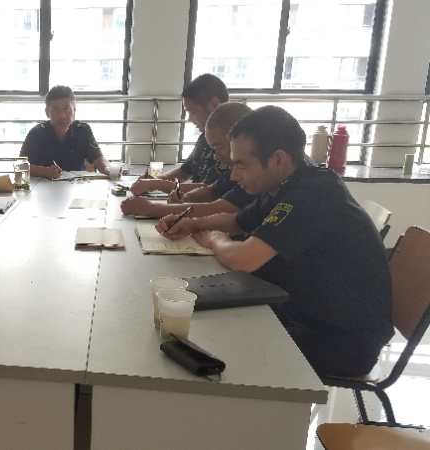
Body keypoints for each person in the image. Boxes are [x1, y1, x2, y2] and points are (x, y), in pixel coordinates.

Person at [159, 106, 393, 377]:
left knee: (213, 342)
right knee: (208, 325)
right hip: (306, 314)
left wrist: (214, 240)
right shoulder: (286, 184)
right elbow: (236, 221)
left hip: (341, 342)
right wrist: (193, 224)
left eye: (241, 165)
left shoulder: (312, 193)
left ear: (278, 159)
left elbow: (243, 259)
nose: (233, 176)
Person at [121, 102, 255, 218]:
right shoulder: (235, 170)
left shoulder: (252, 177)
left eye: (218, 147)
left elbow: (218, 208)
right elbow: (210, 190)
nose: (214, 156)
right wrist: (186, 197)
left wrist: (151, 208)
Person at [130, 73, 229, 197]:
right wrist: (155, 180)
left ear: (214, 105)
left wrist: (156, 184)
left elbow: (209, 191)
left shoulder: (233, 143)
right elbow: (185, 171)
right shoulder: (204, 138)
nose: (190, 119)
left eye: (193, 111)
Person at [19, 85, 109, 179]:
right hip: (45, 184)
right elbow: (20, 166)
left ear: (74, 109)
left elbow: (99, 160)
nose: (62, 116)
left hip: (76, 185)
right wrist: (45, 171)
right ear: (47, 112)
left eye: (66, 109)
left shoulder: (83, 130)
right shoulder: (37, 133)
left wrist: (109, 170)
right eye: (55, 109)